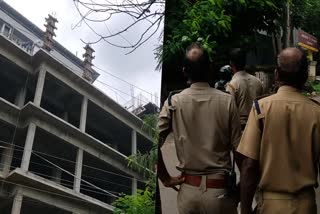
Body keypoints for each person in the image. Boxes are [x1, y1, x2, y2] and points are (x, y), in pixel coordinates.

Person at [157, 42, 242, 214]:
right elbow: (240, 152)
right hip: (220, 193)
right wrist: (242, 188)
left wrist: (166, 178)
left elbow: (151, 144)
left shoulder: (173, 102)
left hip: (188, 192)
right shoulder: (227, 101)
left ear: (184, 71)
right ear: (210, 68)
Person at [237, 47, 320, 214]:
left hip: (271, 205)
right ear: (305, 77)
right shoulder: (316, 112)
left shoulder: (261, 109)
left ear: (276, 74)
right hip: (306, 204)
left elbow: (249, 166)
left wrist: (245, 208)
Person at [226, 48, 263, 130]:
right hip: (257, 127)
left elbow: (230, 112)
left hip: (241, 128)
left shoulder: (232, 85)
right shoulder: (257, 82)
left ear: (231, 63)